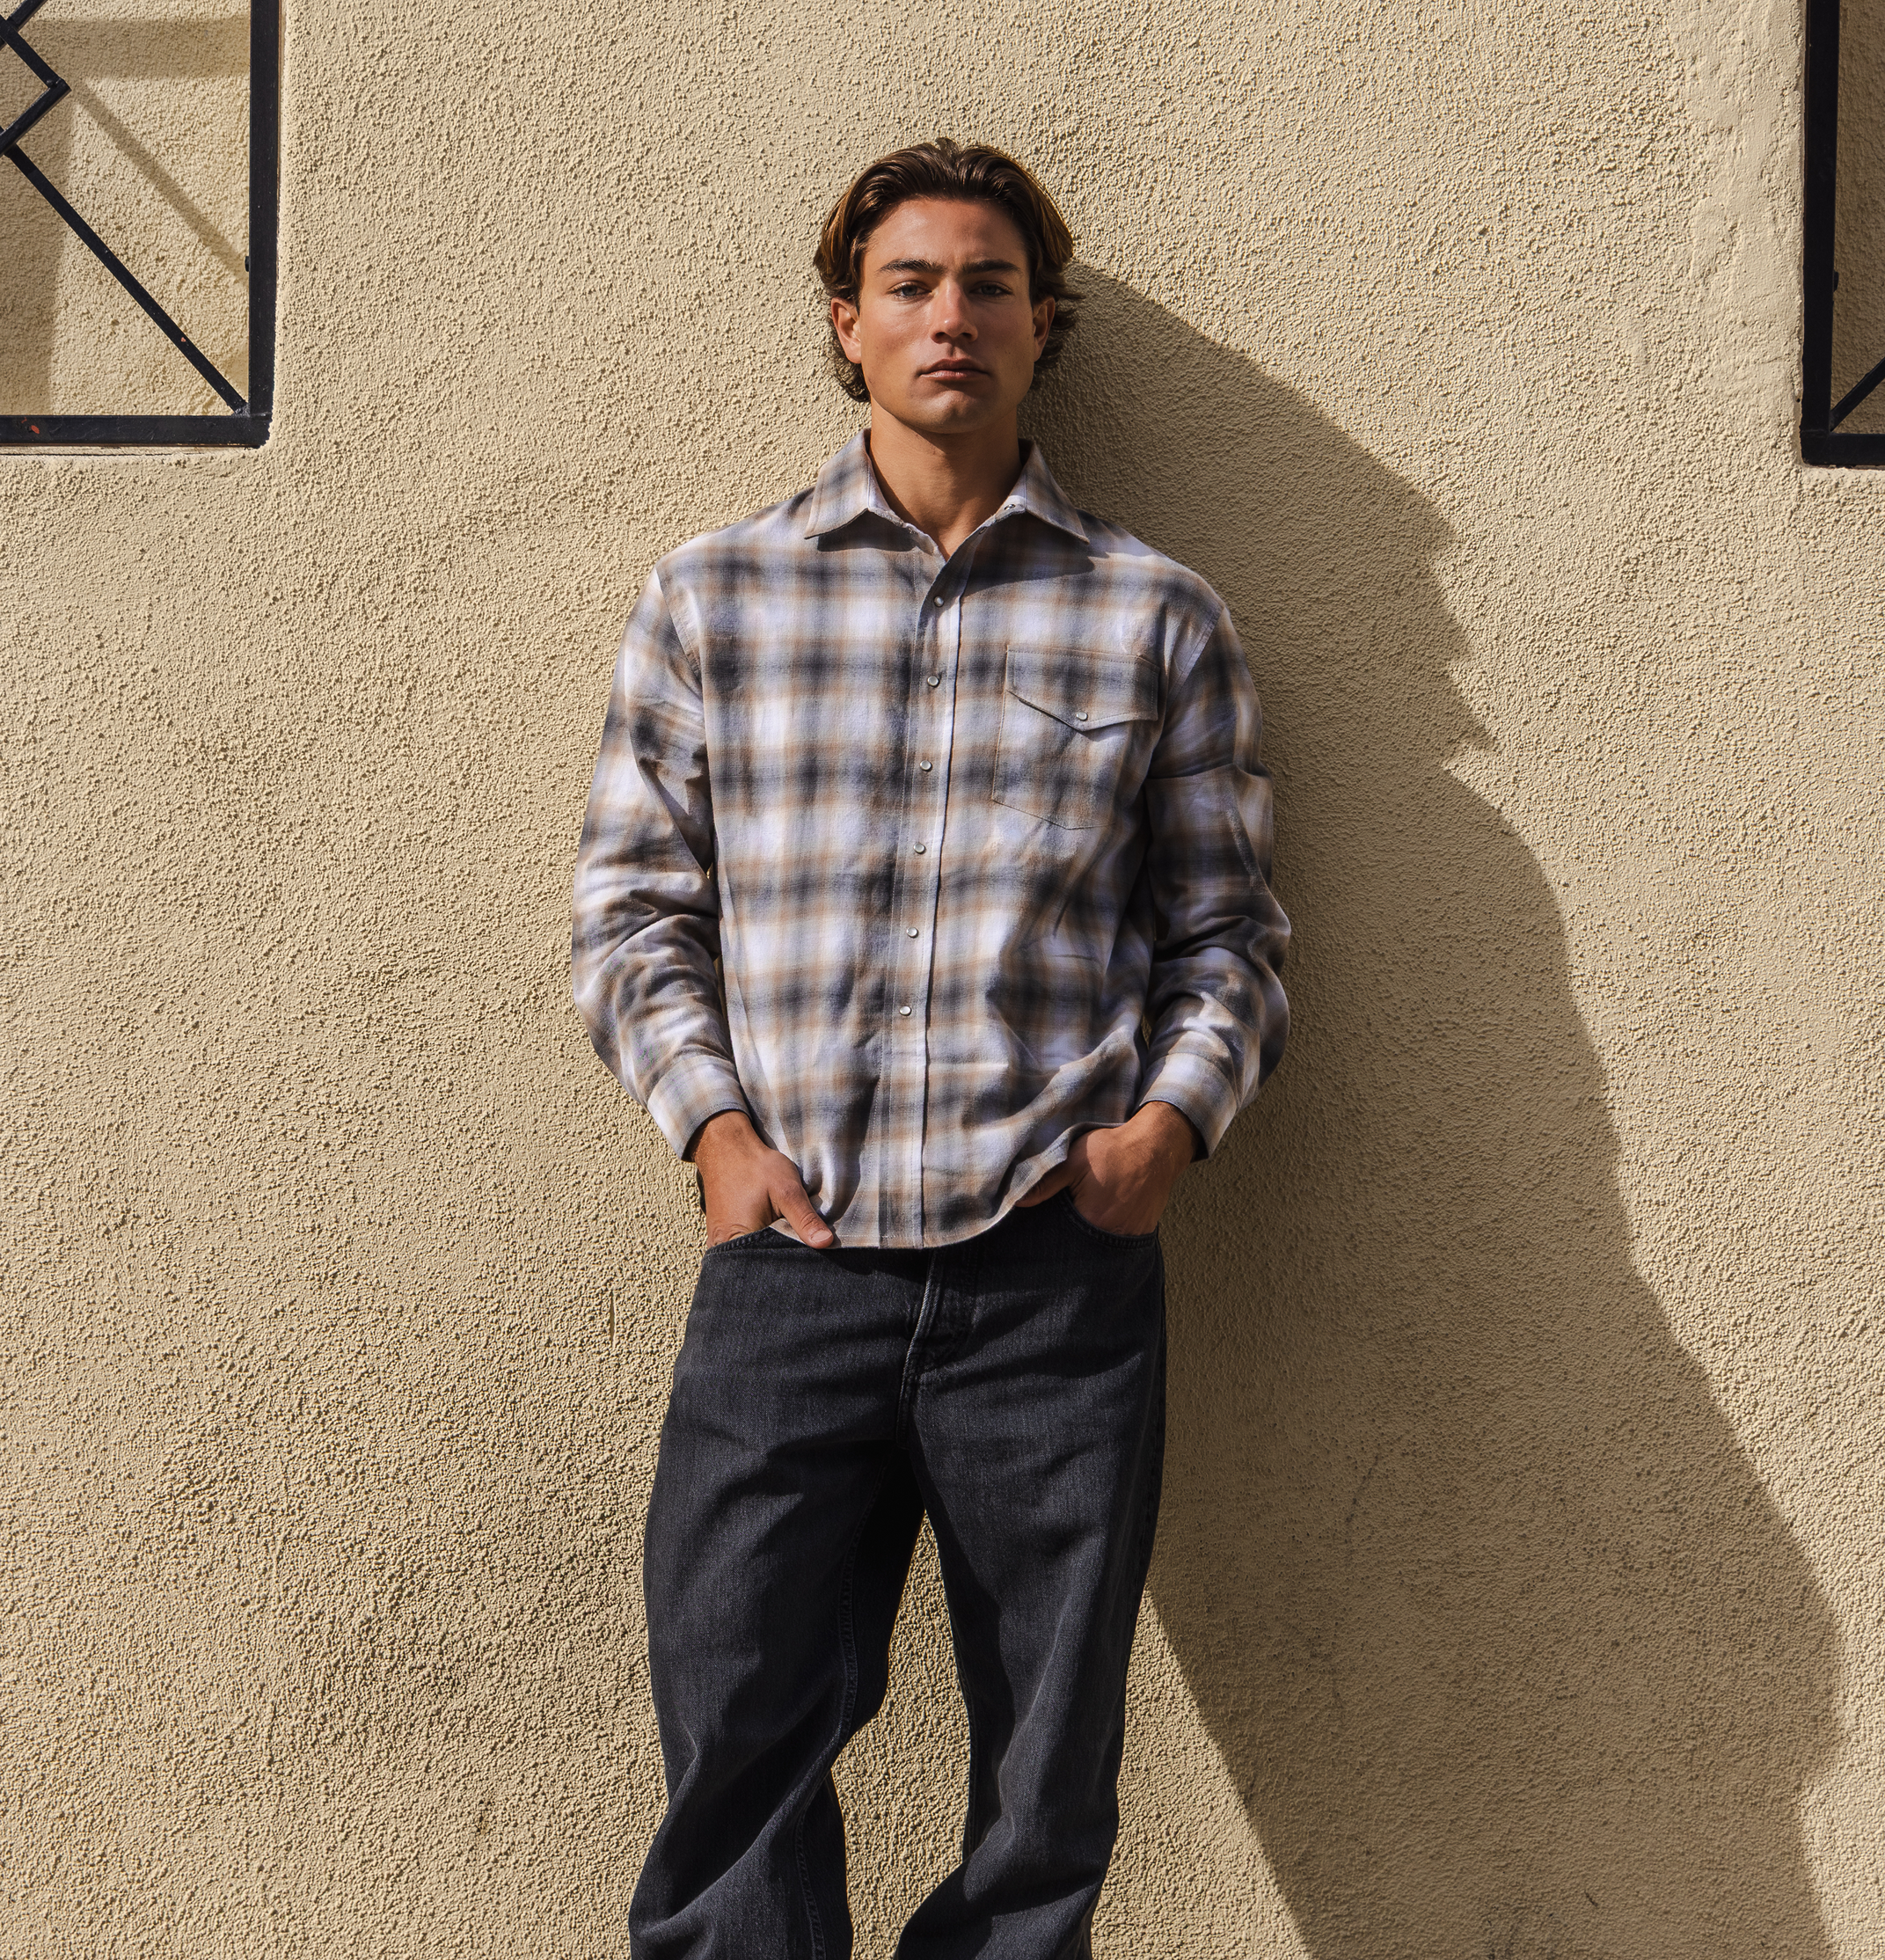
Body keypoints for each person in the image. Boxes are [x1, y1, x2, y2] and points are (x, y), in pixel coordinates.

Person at [571, 136, 1289, 1960]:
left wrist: (1160, 1140)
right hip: (786, 1265)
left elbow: (1226, 938)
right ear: (848, 325)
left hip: (1050, 1275)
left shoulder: (1153, 616)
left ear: (1043, 326)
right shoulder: (715, 599)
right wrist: (717, 1138)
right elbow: (634, 916)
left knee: (1047, 1787)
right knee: (735, 1741)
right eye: (910, 284)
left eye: (985, 284)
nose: (948, 315)